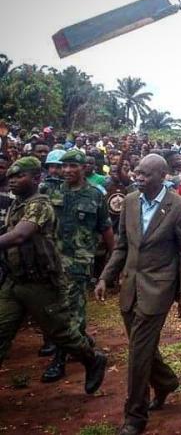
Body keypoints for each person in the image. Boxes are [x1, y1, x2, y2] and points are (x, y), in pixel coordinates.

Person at [95, 154, 181, 435]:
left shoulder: (179, 208)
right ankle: (165, 382)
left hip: (158, 290)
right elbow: (122, 247)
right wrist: (106, 276)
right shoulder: (129, 202)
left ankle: (135, 417)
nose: (138, 178)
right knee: (143, 347)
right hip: (130, 287)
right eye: (136, 173)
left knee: (138, 351)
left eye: (145, 175)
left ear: (162, 175)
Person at [0, 156, 108, 393]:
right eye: (11, 176)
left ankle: (90, 359)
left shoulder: (41, 203)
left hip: (47, 278)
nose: (13, 181)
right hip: (15, 279)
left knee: (62, 330)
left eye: (20, 176)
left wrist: (107, 272)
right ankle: (63, 360)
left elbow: (20, 235)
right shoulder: (20, 203)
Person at [40, 150, 115, 383]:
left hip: (79, 263)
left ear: (83, 168)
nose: (68, 170)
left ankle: (61, 360)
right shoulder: (49, 192)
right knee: (52, 310)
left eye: (73, 165)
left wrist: (114, 261)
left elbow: (105, 229)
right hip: (51, 261)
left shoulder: (95, 195)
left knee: (73, 314)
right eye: (64, 166)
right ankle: (77, 344)